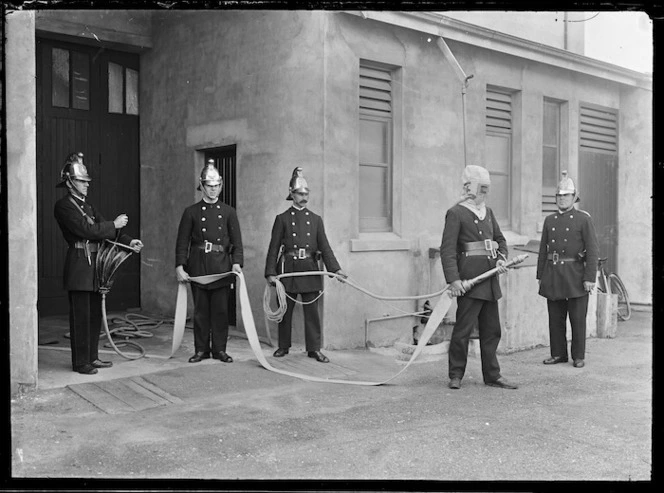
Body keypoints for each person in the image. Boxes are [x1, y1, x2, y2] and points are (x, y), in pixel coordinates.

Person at [54, 152, 144, 375]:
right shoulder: (64, 206)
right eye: (81, 181)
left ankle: (92, 358)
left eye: (87, 182)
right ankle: (80, 362)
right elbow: (88, 231)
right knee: (81, 318)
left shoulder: (89, 207)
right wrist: (114, 224)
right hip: (78, 266)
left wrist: (129, 241)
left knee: (94, 315)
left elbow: (106, 230)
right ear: (69, 182)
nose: (86, 185)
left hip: (94, 266)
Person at [440, 165, 517, 390]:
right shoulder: (456, 213)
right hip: (470, 282)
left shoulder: (488, 213)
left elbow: (501, 241)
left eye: (486, 189)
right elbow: (447, 250)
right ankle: (456, 375)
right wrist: (454, 280)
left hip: (490, 281)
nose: (484, 193)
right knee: (463, 331)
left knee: (492, 330)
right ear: (469, 187)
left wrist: (501, 259)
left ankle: (492, 375)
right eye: (481, 188)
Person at [265, 167, 347, 363]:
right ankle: (283, 346)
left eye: (306, 193)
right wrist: (270, 272)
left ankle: (314, 349)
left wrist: (336, 269)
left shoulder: (316, 220)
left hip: (310, 268)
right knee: (285, 311)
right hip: (289, 270)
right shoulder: (282, 219)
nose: (303, 196)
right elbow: (273, 248)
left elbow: (325, 247)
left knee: (312, 313)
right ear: (291, 194)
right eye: (300, 193)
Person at [175, 160, 244, 363]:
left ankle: (220, 350)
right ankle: (201, 349)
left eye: (216, 186)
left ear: (221, 186)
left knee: (221, 311)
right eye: (209, 186)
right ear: (202, 186)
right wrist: (180, 265)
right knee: (201, 312)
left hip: (221, 267)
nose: (213, 190)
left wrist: (237, 262)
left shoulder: (229, 212)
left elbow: (237, 242)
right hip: (199, 266)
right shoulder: (191, 212)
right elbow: (182, 242)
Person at [537, 171, 599, 369]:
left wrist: (590, 277)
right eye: (559, 196)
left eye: (566, 195)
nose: (562, 199)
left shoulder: (583, 219)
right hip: (554, 274)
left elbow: (592, 250)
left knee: (577, 318)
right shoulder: (550, 220)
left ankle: (578, 356)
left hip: (576, 275)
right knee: (555, 317)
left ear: (574, 197)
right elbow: (542, 250)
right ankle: (558, 354)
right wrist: (541, 275)